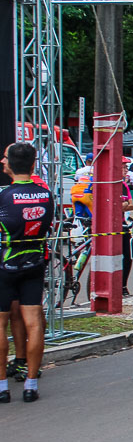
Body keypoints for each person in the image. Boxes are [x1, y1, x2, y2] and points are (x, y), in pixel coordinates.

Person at [0, 143, 54, 403]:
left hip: (6, 265)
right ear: (33, 164)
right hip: (34, 263)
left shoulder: (4, 196)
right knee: (33, 323)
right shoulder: (46, 194)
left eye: (4, 159)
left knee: (2, 324)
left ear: (10, 163)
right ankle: (30, 384)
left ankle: (2, 387)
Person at [120, 163, 133, 297]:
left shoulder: (124, 185)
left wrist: (123, 205)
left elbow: (131, 205)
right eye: (123, 167)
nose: (126, 170)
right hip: (110, 226)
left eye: (126, 167)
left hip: (122, 224)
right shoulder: (110, 184)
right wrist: (123, 205)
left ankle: (123, 285)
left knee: (128, 255)